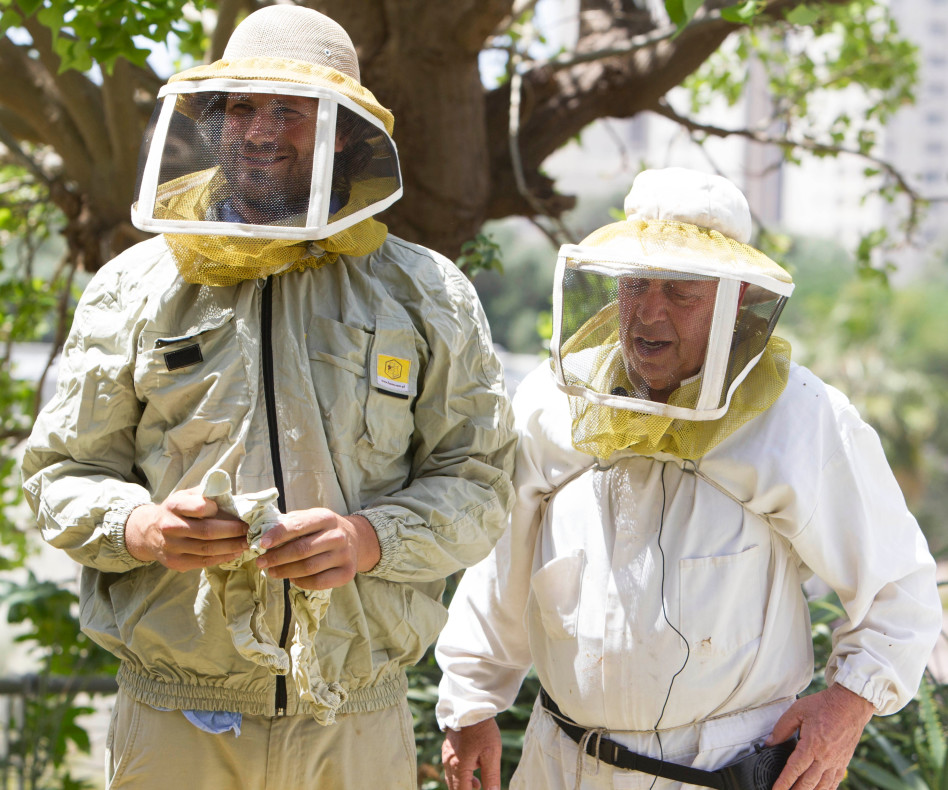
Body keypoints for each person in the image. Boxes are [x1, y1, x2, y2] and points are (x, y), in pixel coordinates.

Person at [21, 6, 516, 789]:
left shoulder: (426, 293)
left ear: (346, 132)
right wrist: (142, 527)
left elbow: (482, 483)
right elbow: (57, 477)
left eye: (290, 110)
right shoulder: (135, 286)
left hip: (355, 718)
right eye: (243, 107)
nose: (258, 131)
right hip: (176, 717)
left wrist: (368, 538)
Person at [434, 167, 942, 790]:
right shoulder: (553, 398)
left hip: (725, 770)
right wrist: (469, 705)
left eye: (681, 292)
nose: (649, 312)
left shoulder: (802, 417)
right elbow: (499, 561)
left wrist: (848, 707)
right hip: (559, 762)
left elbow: (900, 586)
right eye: (637, 283)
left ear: (733, 302)